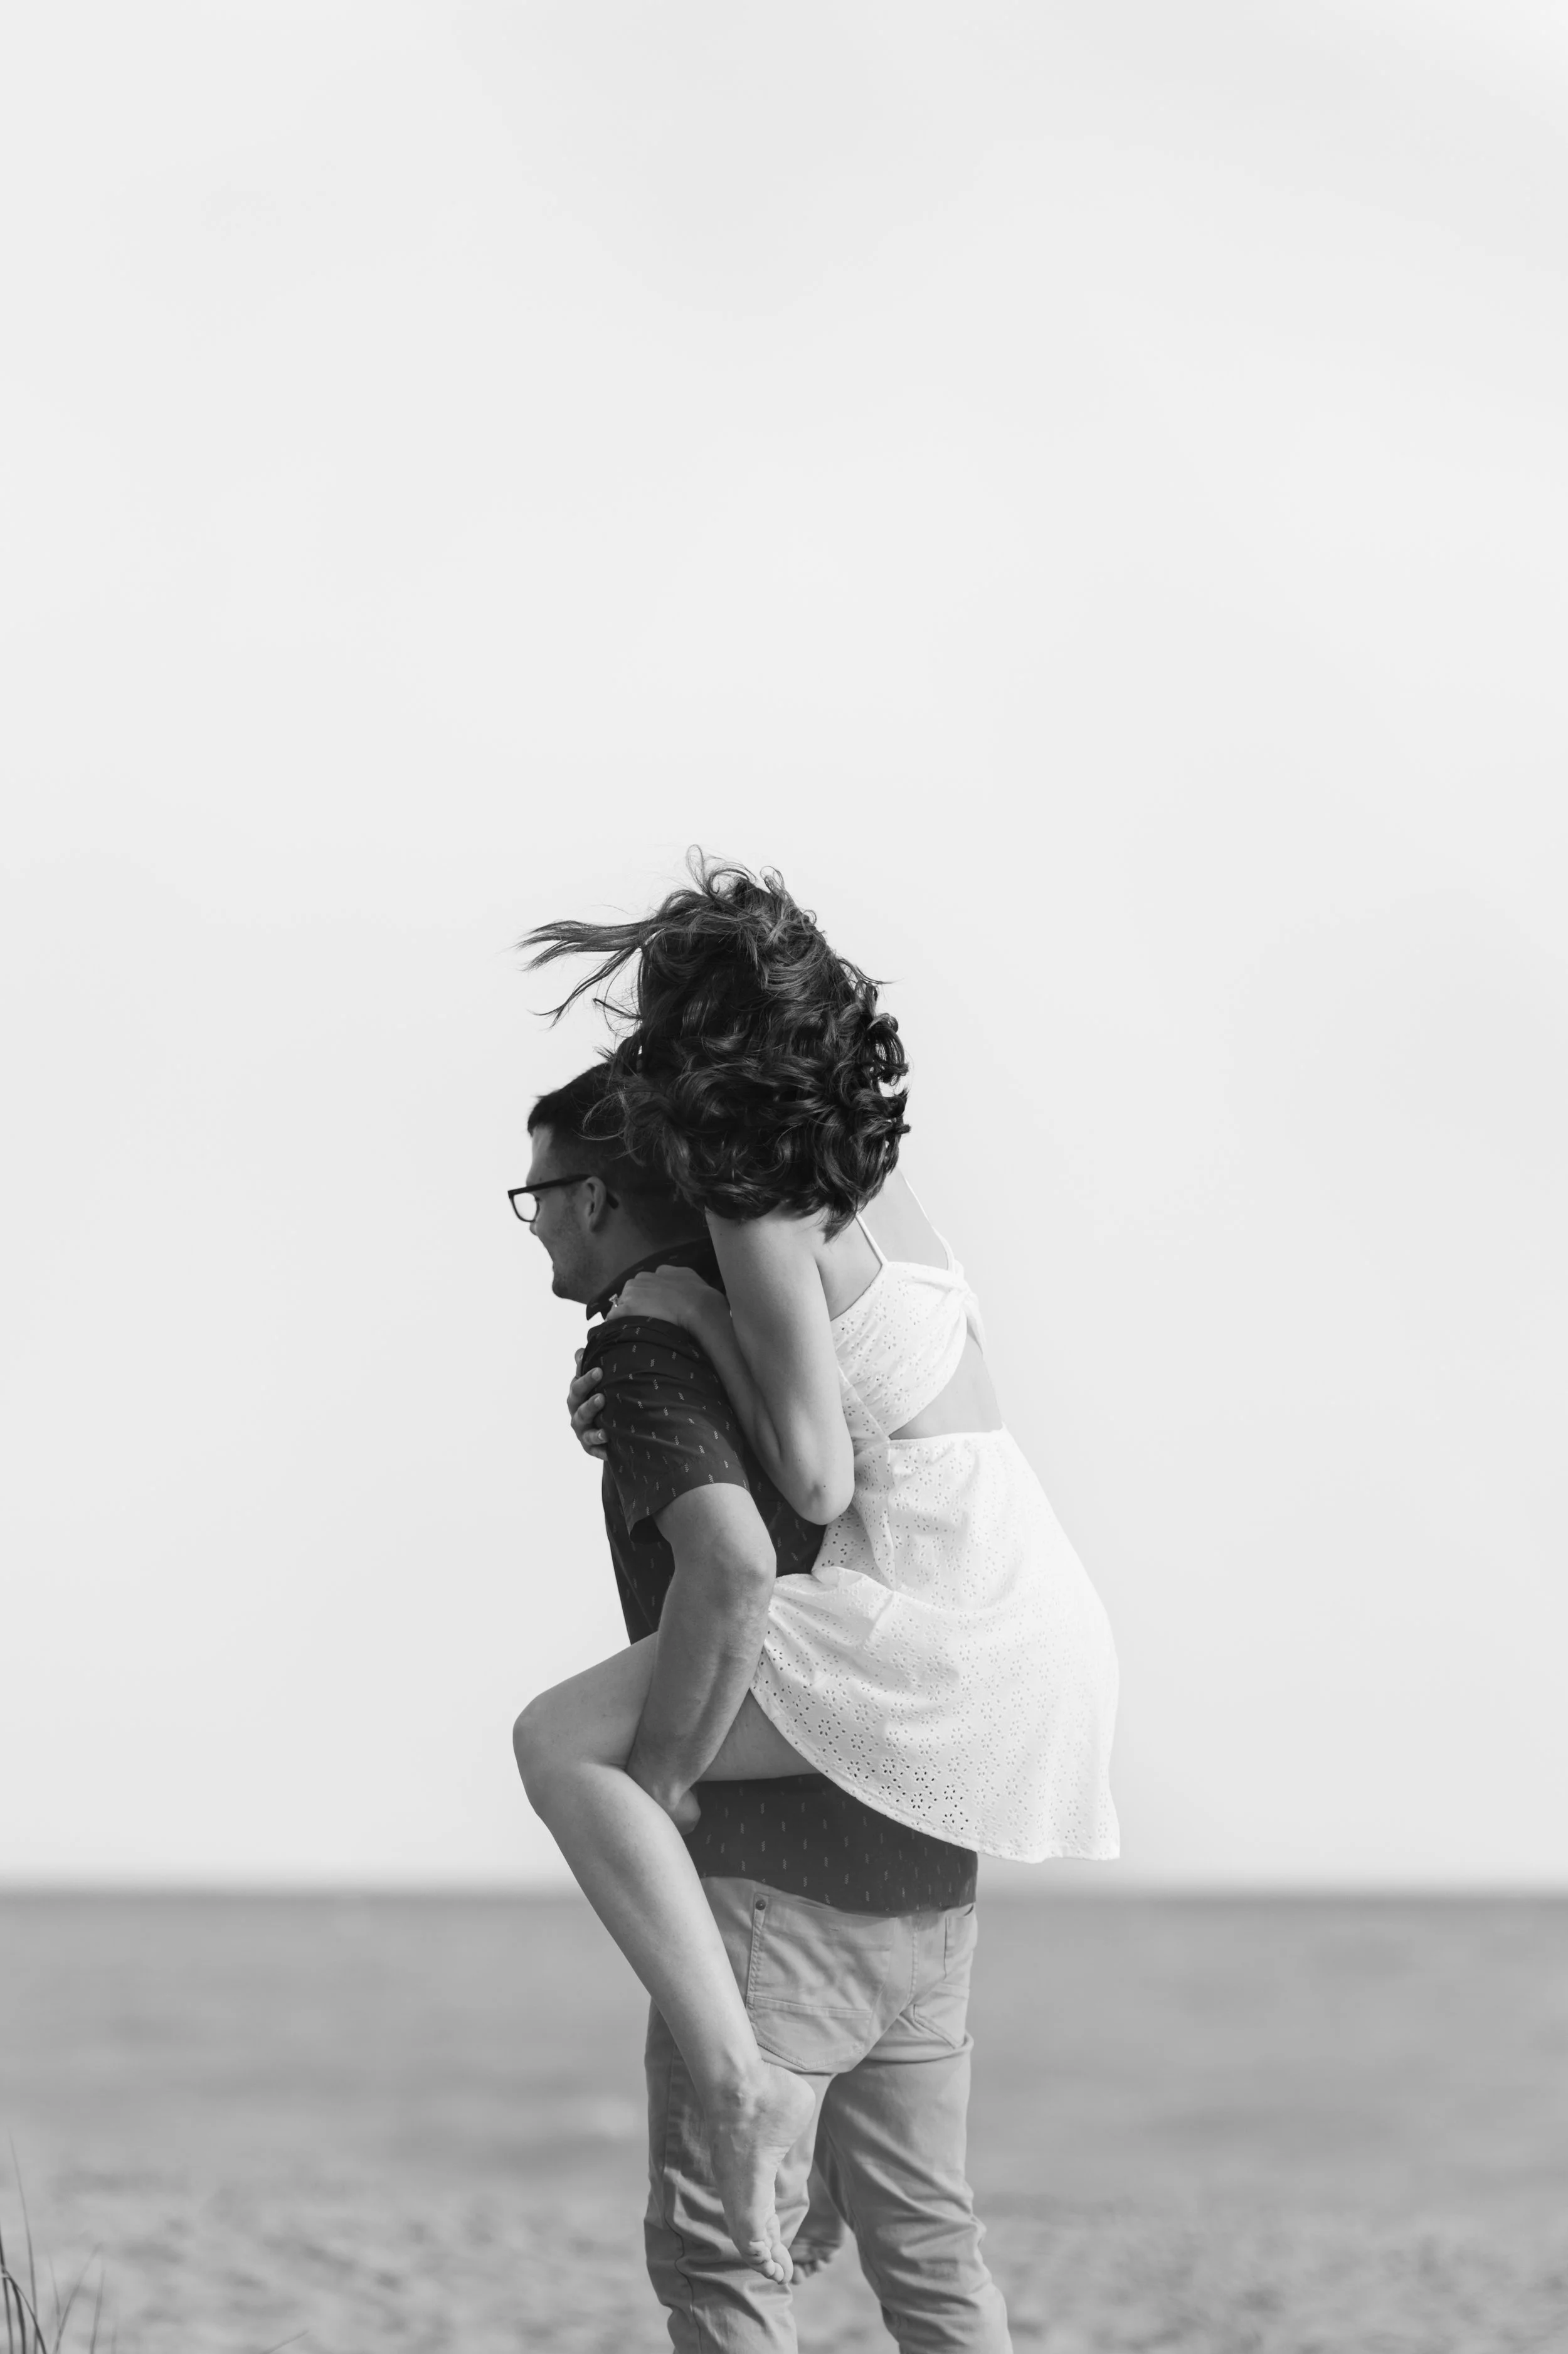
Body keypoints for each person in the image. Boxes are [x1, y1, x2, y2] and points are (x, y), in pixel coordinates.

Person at [512, 859, 1119, 2286]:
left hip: (936, 1602)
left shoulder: (751, 1212)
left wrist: (681, 1313)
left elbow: (819, 1481)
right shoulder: (874, 1186)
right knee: (932, 2231)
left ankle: (737, 2077)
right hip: (1028, 1583)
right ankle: (835, 2136)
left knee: (562, 1747)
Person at [516, 1064, 1012, 2349]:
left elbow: (731, 1566)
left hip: (768, 1895)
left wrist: (666, 1783)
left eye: (537, 1196)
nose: (537, 1224)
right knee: (933, 2258)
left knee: (725, 2264)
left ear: (595, 1197)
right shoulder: (798, 1314)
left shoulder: (645, 1340)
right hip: (923, 1859)